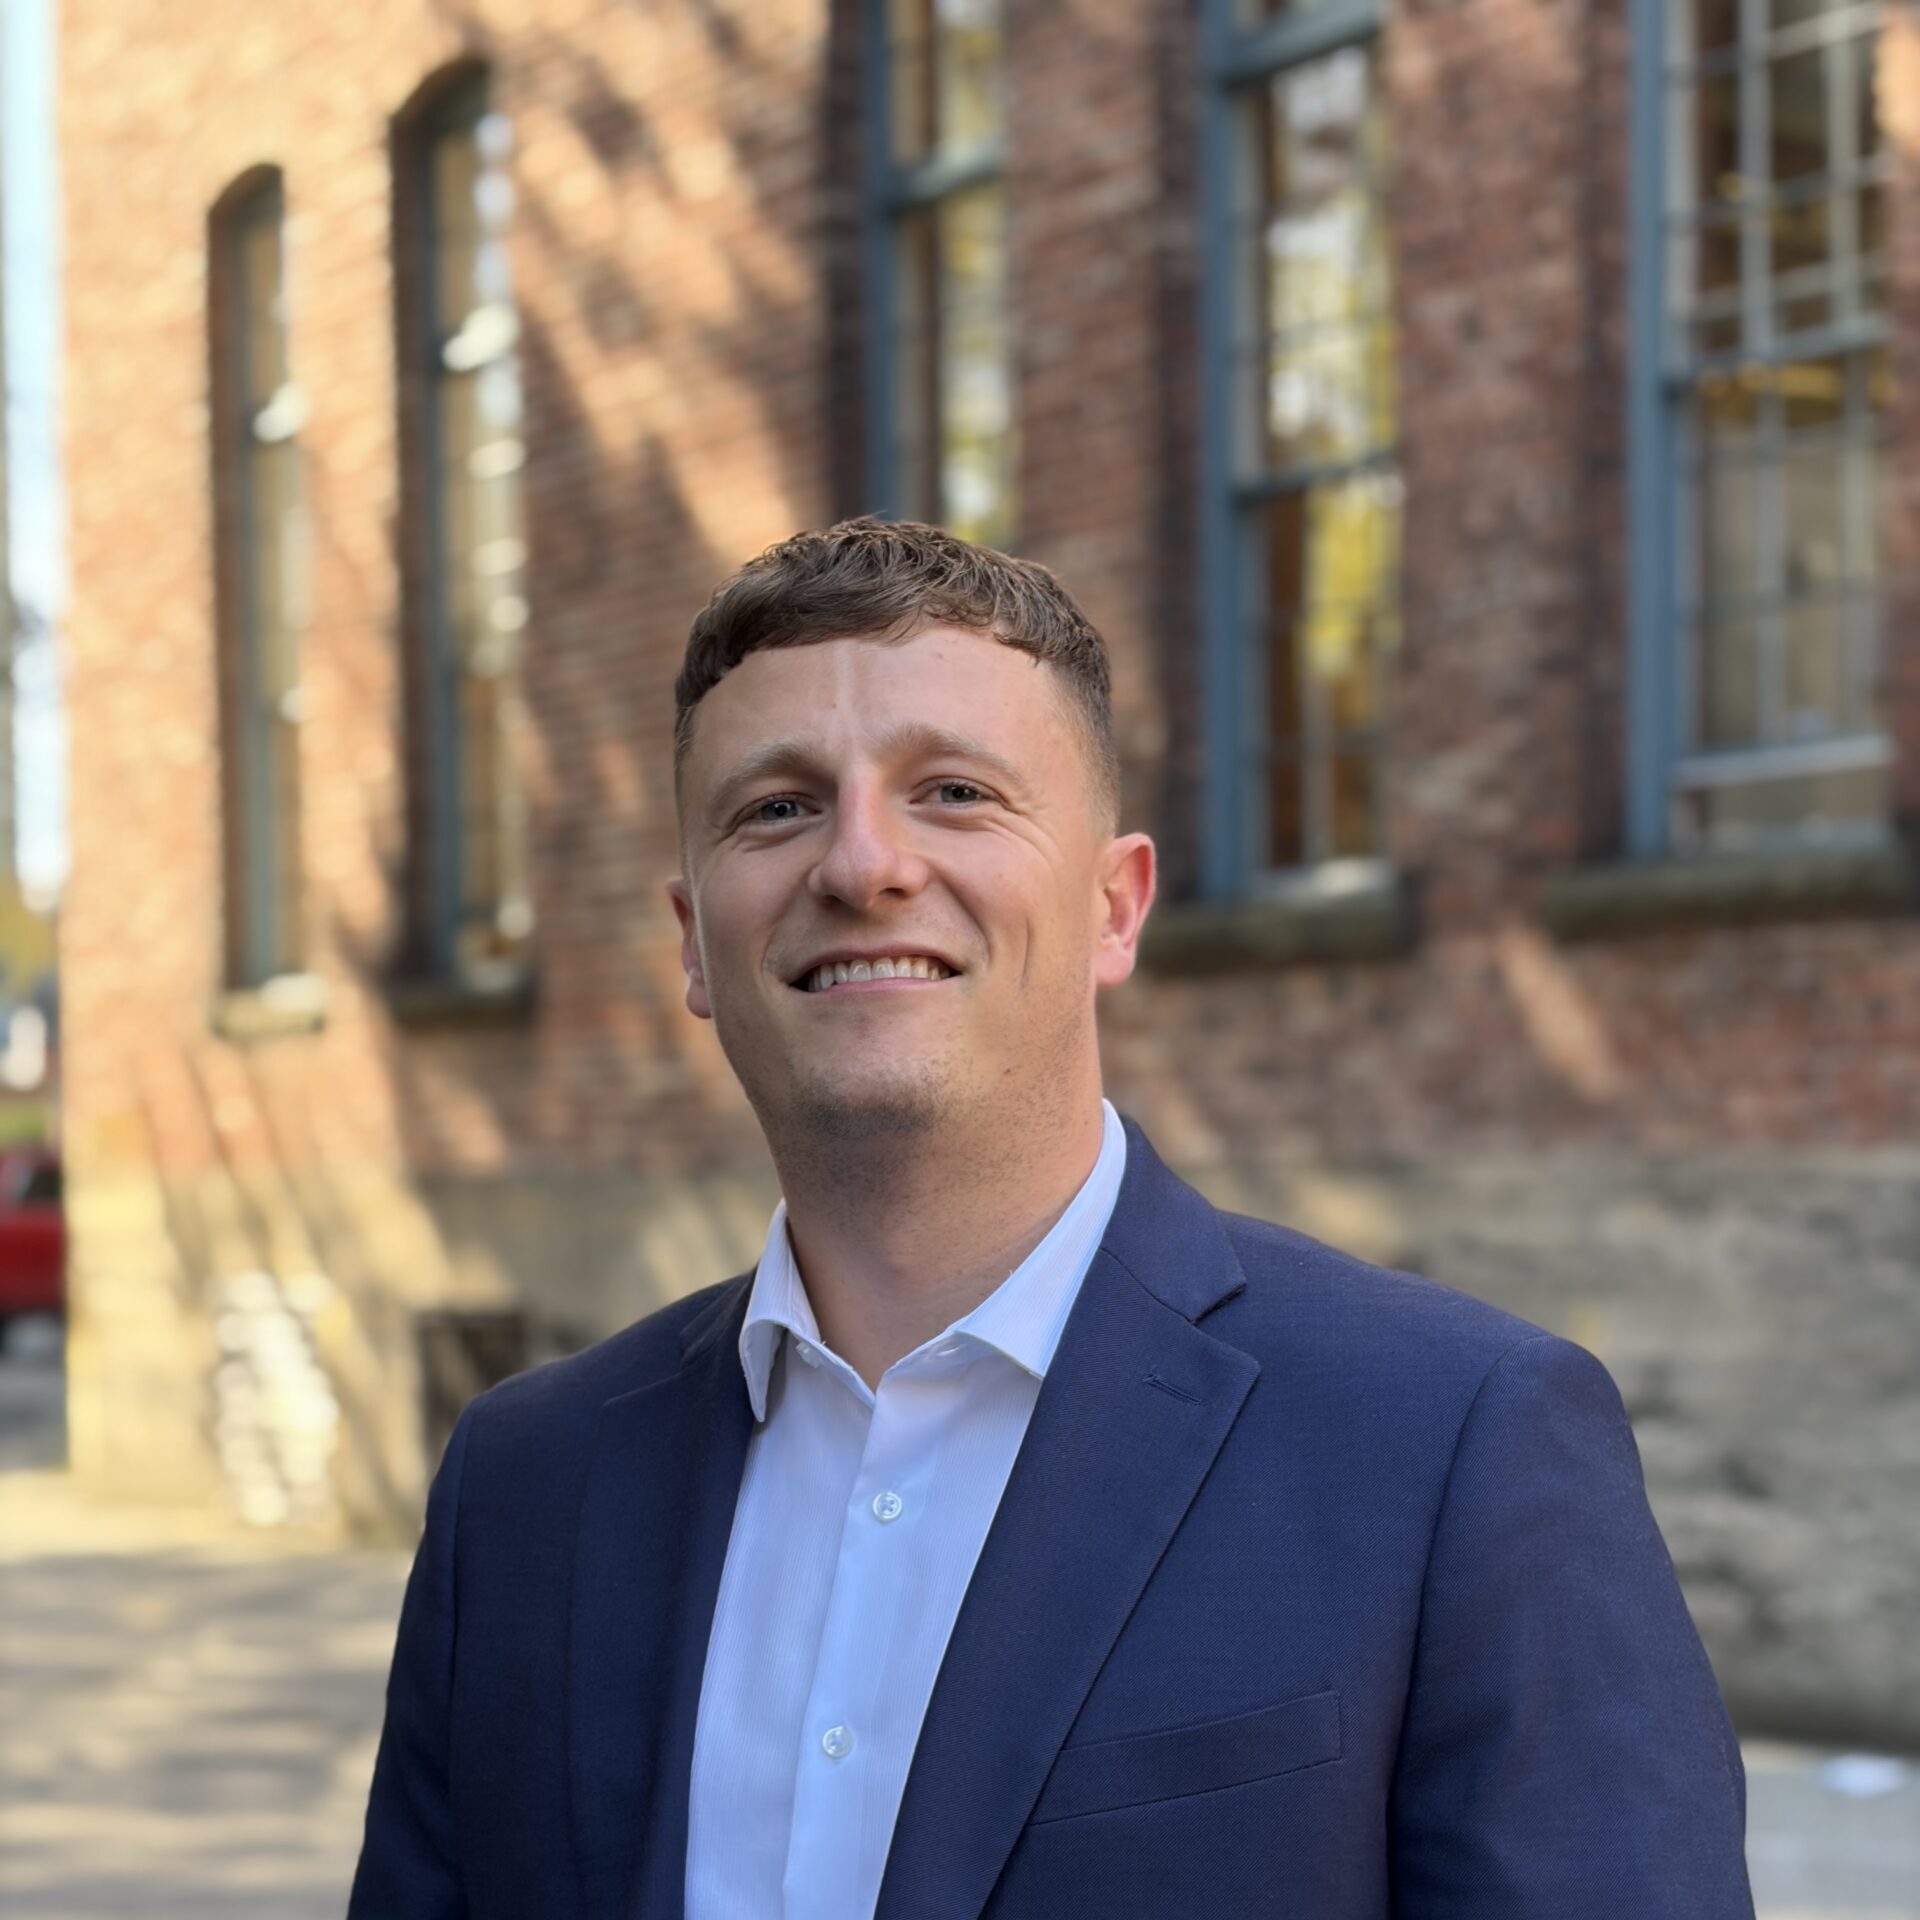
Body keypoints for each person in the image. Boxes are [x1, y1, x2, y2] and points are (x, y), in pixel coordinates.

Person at [349, 518, 1755, 1919]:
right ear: (693, 942)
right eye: (775, 808)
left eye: (955, 792)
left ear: (1114, 907)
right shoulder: (523, 1490)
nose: (862, 865)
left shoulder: (1454, 1443)